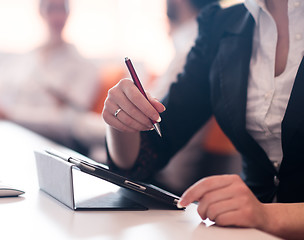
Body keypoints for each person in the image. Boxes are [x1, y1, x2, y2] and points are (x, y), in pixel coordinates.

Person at [102, 0, 304, 239]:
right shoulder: (221, 25)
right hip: (246, 233)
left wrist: (267, 216)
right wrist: (121, 119)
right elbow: (151, 149)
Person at [0, 0, 105, 156]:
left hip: (49, 146)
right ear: (41, 12)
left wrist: (8, 114)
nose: (56, 16)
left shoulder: (83, 66)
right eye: (51, 8)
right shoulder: (25, 58)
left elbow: (71, 121)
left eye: (61, 9)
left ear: (69, 13)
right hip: (7, 133)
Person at [151, 0, 241, 195]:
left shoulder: (196, 47)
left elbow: (149, 127)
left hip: (162, 179)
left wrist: (73, 123)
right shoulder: (196, 42)